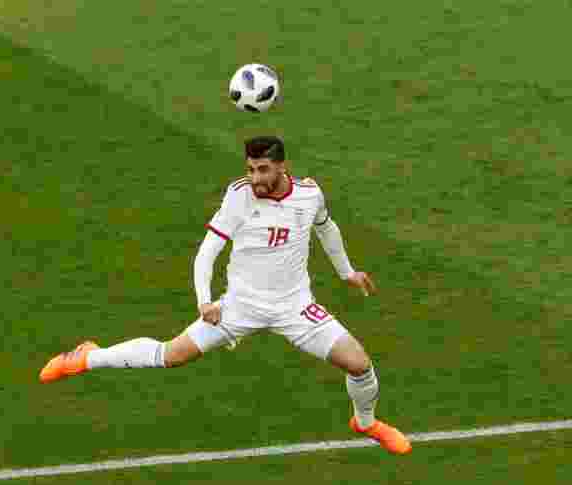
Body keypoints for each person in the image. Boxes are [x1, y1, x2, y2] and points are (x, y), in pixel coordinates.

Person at [39, 135, 410, 454]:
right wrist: (205, 300)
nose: (254, 178)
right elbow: (207, 252)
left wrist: (347, 272)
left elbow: (327, 229)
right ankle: (87, 358)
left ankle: (366, 424)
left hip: (295, 308)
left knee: (359, 363)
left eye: (262, 169)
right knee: (171, 355)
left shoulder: (309, 195)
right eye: (250, 169)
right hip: (239, 307)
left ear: (282, 167)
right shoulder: (239, 198)